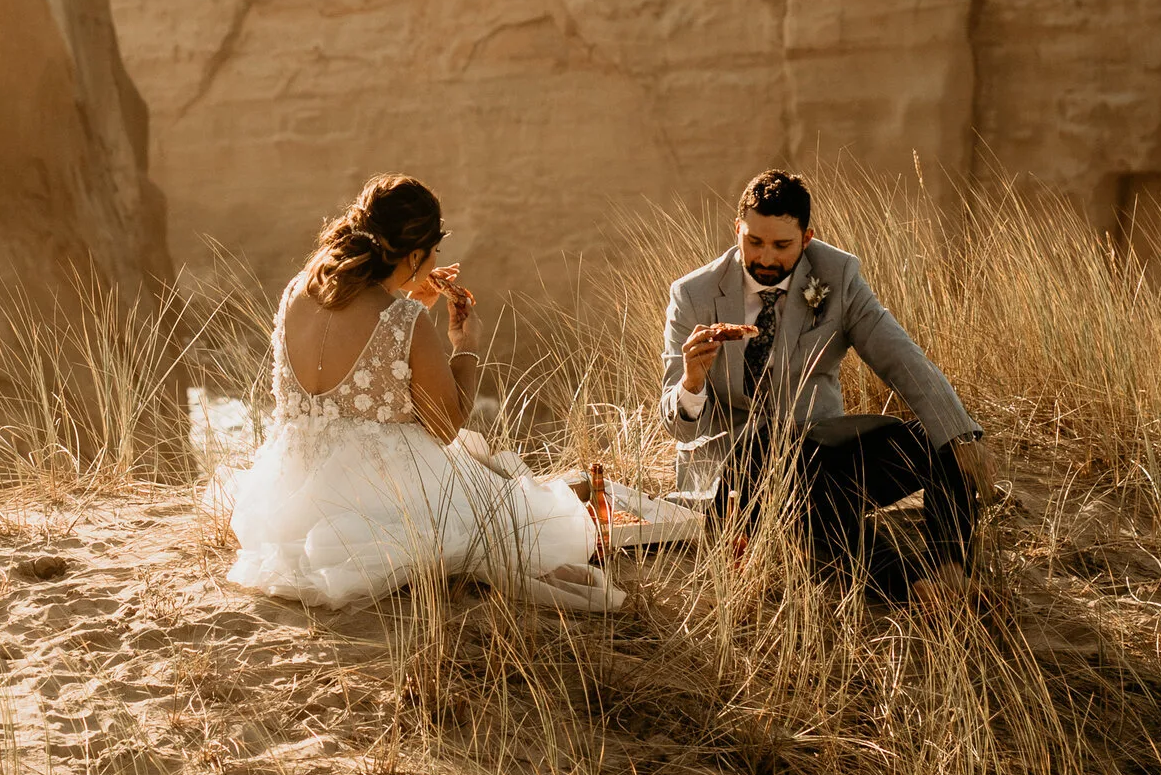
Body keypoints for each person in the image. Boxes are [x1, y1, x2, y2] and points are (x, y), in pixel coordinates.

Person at [224, 174, 616, 613]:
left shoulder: (299, 289)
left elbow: (362, 371)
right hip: (380, 496)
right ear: (413, 254)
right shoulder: (403, 319)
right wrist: (464, 347)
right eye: (433, 254)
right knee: (522, 516)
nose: (433, 264)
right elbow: (447, 424)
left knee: (489, 468)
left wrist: (410, 302)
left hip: (289, 496)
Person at [661, 171, 987, 602]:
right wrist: (692, 380)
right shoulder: (693, 294)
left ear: (807, 238)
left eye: (782, 245)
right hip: (740, 473)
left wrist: (960, 434)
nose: (766, 258)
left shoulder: (838, 275)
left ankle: (951, 568)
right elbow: (678, 428)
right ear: (736, 230)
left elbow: (900, 358)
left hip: (823, 455)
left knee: (942, 438)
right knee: (799, 482)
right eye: (754, 241)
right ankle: (910, 586)